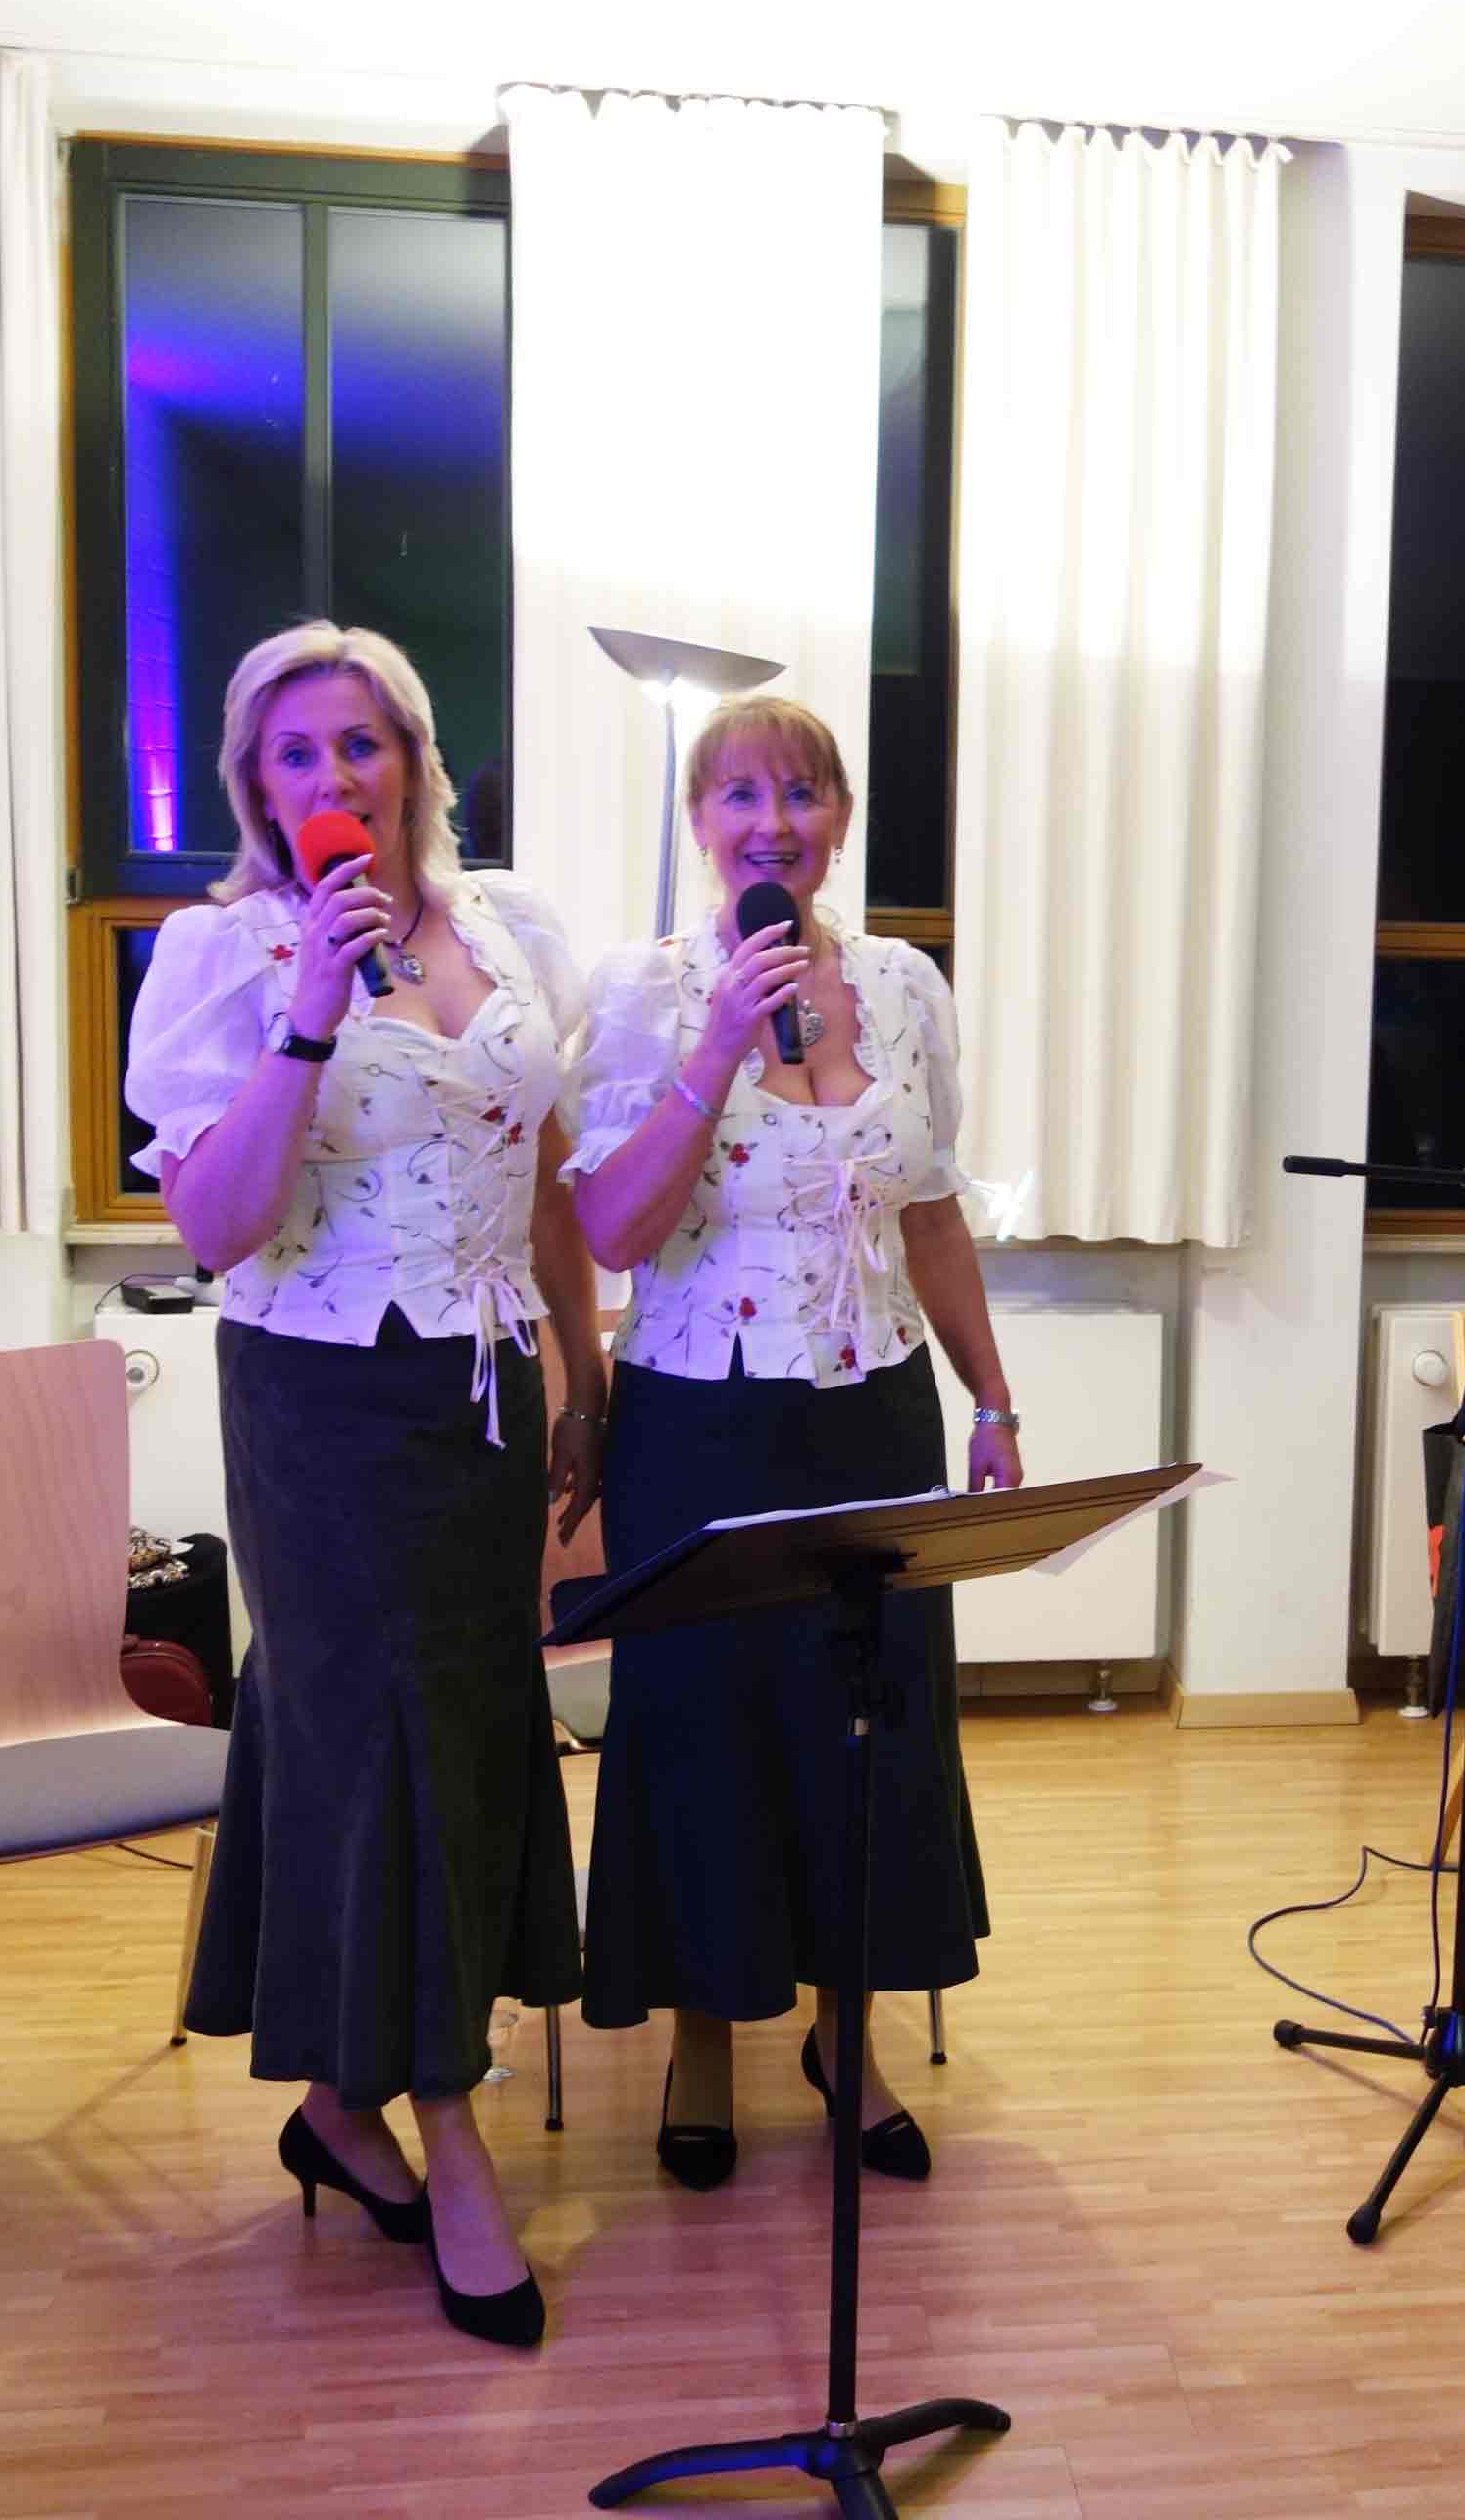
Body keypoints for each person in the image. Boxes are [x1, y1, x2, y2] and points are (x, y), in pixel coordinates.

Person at [122, 621, 601, 2348]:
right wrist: (310, 1020)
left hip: (484, 1400)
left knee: (458, 1742)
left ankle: (339, 2105)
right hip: (321, 1404)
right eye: (296, 752)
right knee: (377, 1742)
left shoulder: (507, 929)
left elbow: (542, 1166)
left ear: (411, 758)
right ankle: (448, 2131)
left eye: (360, 742)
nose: (333, 775)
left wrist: (585, 1366)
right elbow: (212, 1224)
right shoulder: (225, 953)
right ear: (256, 786)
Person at [567, 693, 1016, 2191]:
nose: (775, 823)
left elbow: (932, 1214)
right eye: (742, 796)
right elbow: (612, 1227)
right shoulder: (645, 990)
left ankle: (846, 2039)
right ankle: (701, 2040)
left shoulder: (902, 986)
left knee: (866, 1736)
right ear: (702, 824)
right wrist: (712, 1049)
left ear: (841, 819)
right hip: (700, 1419)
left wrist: (992, 1400)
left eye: (804, 793)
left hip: (876, 1416)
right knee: (703, 1736)